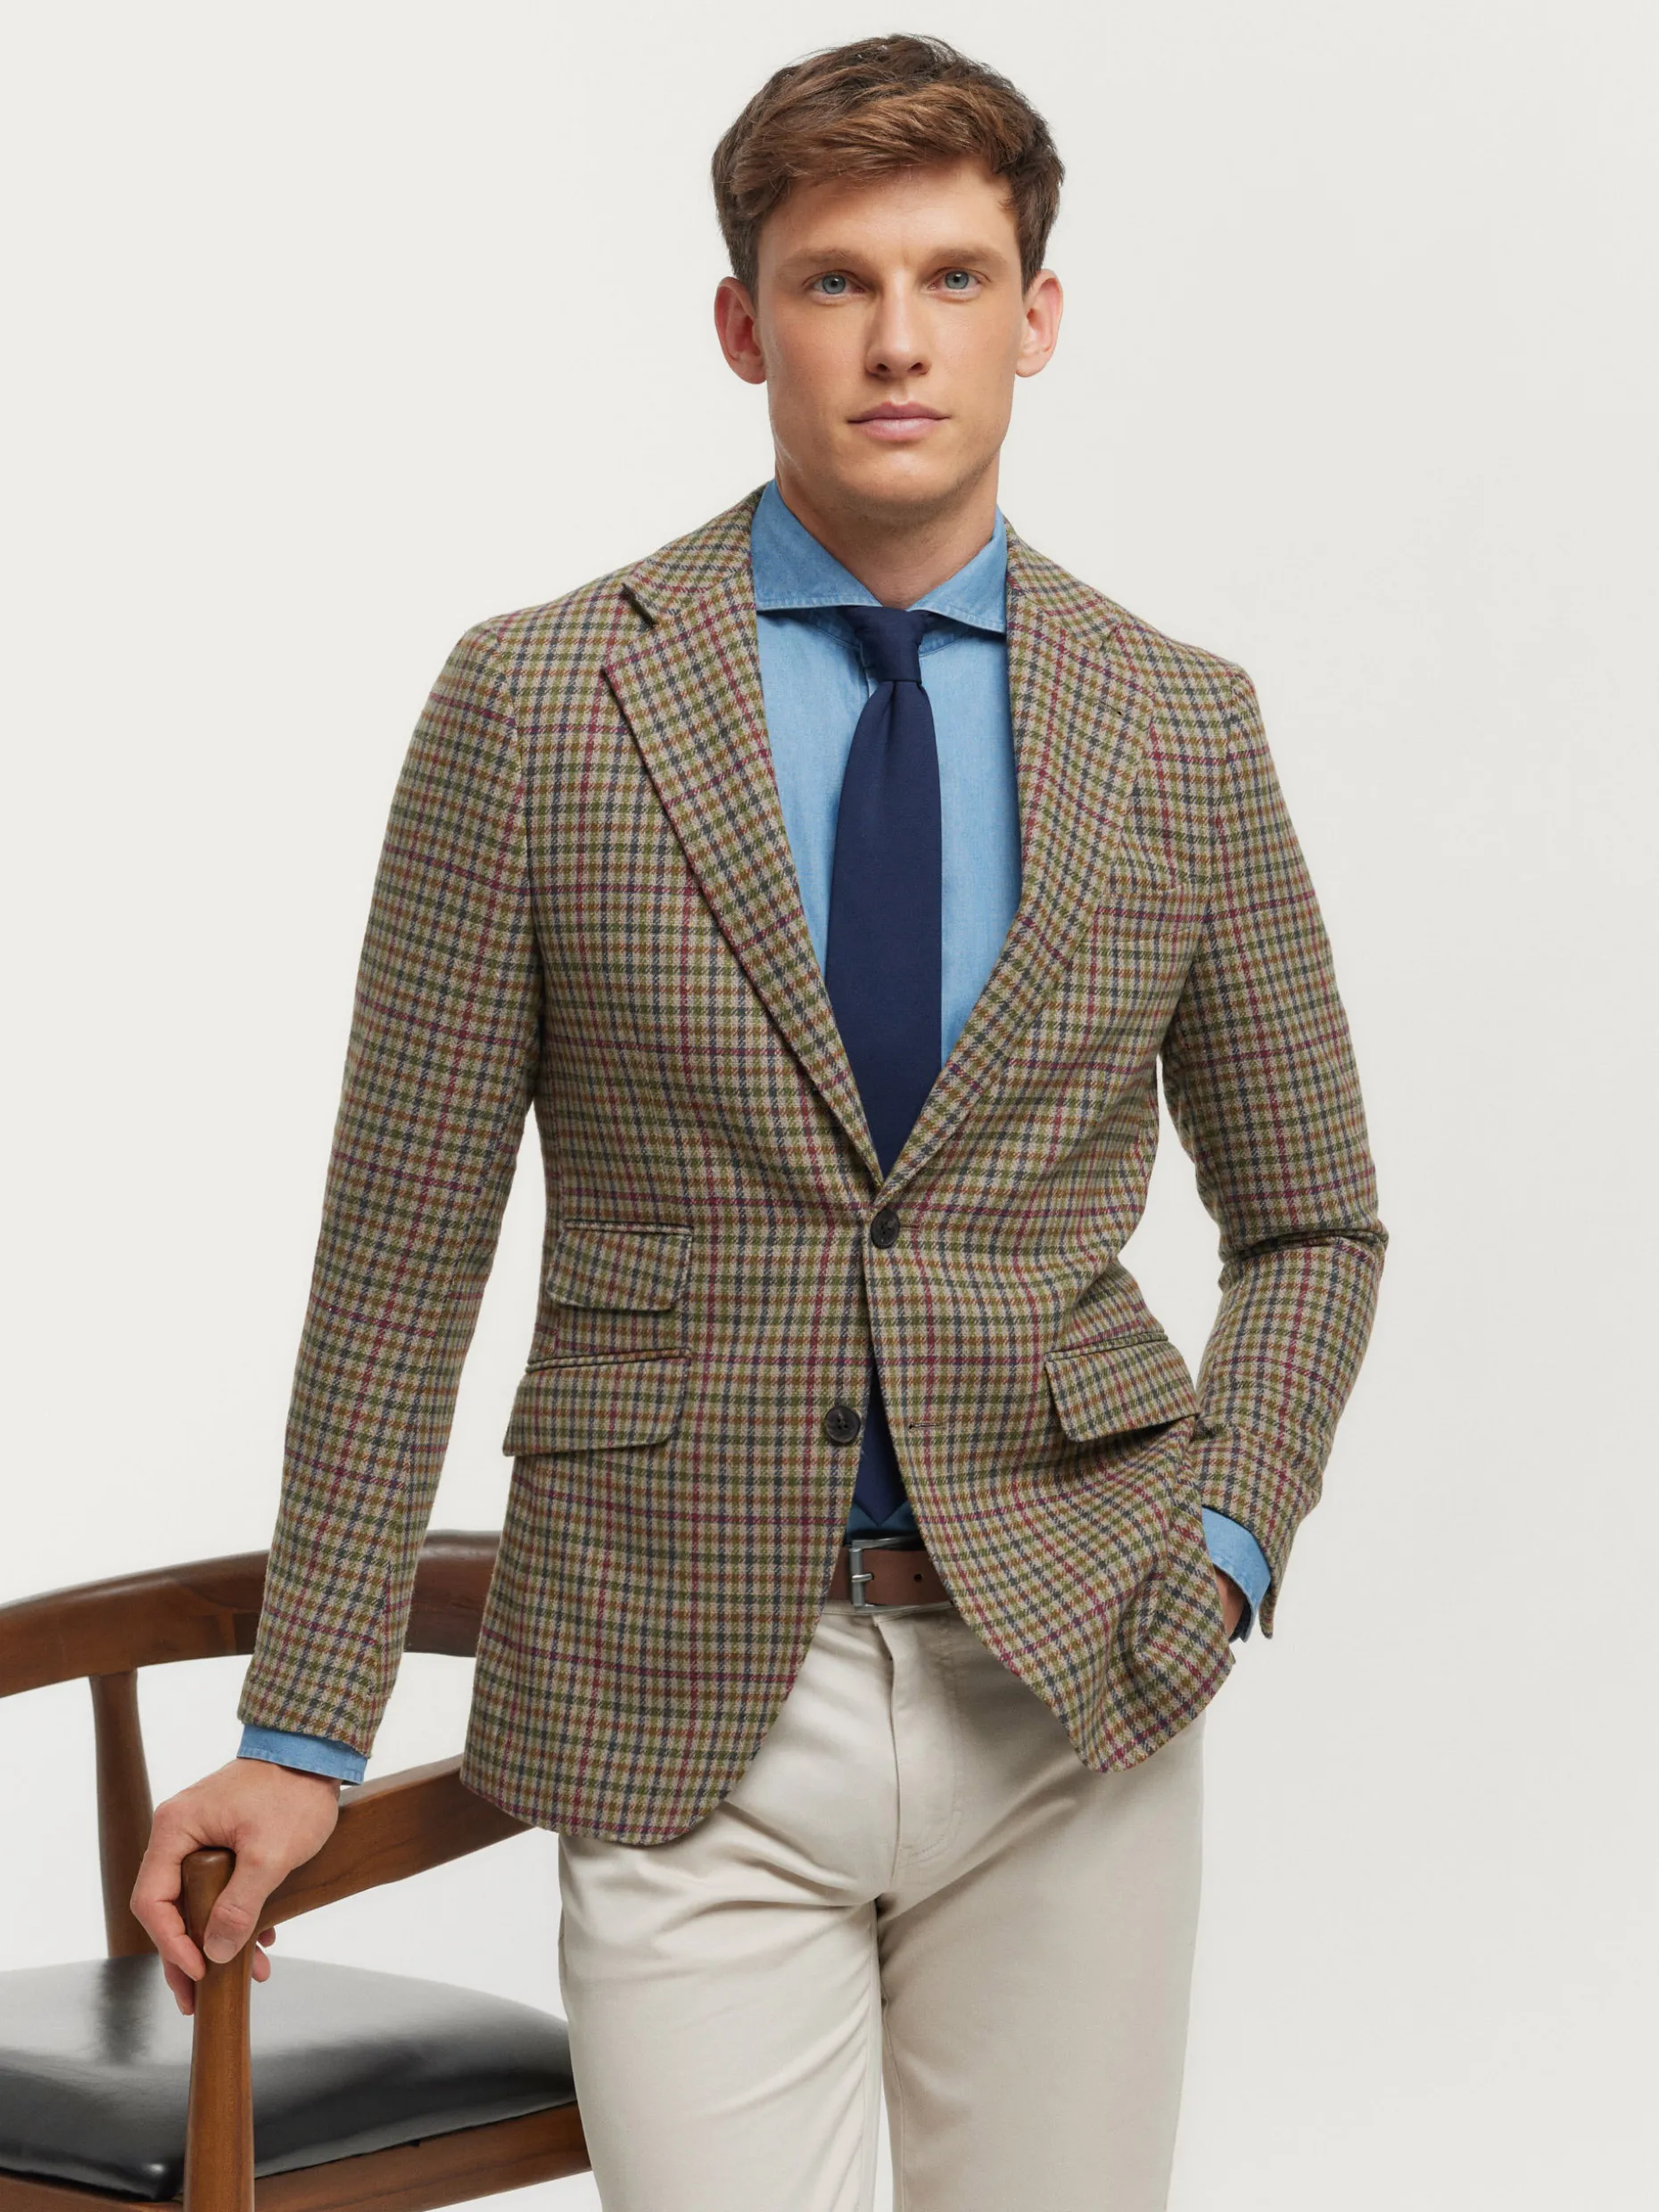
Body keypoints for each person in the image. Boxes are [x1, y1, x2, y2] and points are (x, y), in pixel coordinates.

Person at [133, 33, 1388, 2212]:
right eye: (834, 282)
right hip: (681, 1678)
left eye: (954, 277)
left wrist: (1224, 1545)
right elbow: (403, 1242)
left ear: (1037, 315)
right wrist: (302, 1727)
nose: (899, 340)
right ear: (743, 322)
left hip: (1073, 1675)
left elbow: (1314, 1221)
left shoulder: (1182, 728)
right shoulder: (540, 705)